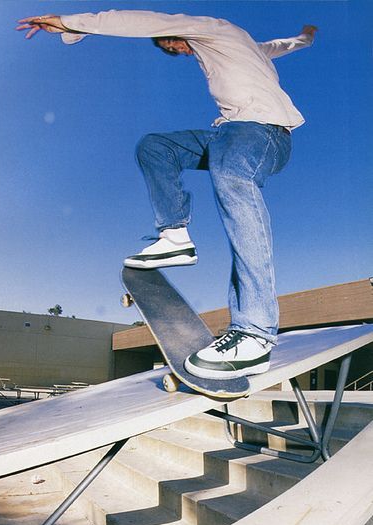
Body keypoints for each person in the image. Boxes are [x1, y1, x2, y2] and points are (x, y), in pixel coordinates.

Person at [17, 10, 317, 379]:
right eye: (172, 50)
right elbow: (280, 46)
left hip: (262, 133)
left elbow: (140, 20)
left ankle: (255, 331)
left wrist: (71, 24)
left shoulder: (213, 28)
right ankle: (174, 235)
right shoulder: (249, 48)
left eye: (172, 43)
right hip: (228, 136)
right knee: (156, 147)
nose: (178, 50)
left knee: (231, 174)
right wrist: (306, 36)